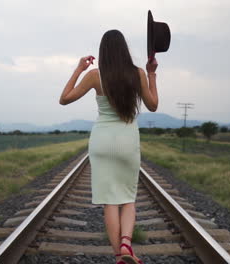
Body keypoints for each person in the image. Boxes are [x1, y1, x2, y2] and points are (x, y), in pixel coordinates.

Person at [59, 29, 159, 264]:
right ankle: (126, 243)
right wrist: (152, 74)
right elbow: (153, 105)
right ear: (124, 49)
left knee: (110, 201)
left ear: (103, 51)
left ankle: (119, 256)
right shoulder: (138, 74)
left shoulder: (95, 75)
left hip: (102, 140)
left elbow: (64, 99)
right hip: (127, 140)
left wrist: (78, 69)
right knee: (128, 198)